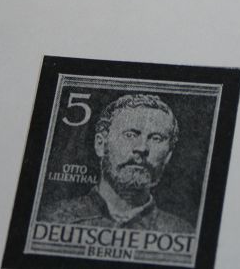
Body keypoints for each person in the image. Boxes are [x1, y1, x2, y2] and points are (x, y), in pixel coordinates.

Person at [42, 93, 193, 232]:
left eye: (156, 138)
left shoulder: (181, 231)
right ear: (100, 144)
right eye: (130, 135)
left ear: (168, 155)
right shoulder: (51, 218)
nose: (142, 148)